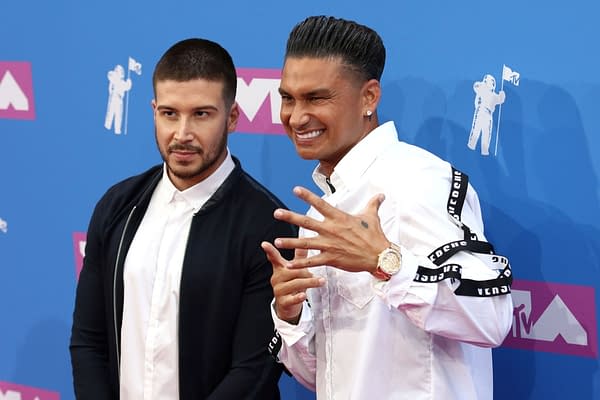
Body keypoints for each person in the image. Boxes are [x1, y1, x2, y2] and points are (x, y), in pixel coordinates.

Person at [262, 16, 514, 400]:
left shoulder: (419, 181)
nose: (296, 117)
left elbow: (492, 319)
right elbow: (324, 377)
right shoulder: (319, 213)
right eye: (287, 98)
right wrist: (290, 314)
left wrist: (385, 261)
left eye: (316, 98)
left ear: (369, 97)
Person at [70, 38, 295, 400]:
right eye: (170, 113)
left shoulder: (268, 224)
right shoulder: (118, 207)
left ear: (232, 117)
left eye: (201, 114)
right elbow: (88, 340)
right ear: (154, 110)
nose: (183, 134)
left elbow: (255, 369)